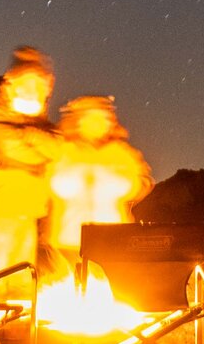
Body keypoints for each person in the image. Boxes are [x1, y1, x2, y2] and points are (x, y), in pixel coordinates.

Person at [0, 46, 60, 296]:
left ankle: (14, 334)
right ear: (10, 84)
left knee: (21, 287)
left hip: (26, 215)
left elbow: (57, 149)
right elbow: (13, 149)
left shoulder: (39, 124)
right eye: (28, 83)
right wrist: (34, 144)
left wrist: (31, 137)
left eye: (40, 86)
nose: (34, 92)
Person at [44, 95, 153, 265]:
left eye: (101, 118)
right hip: (67, 241)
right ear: (78, 121)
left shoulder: (121, 153)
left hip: (112, 239)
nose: (96, 123)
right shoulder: (62, 151)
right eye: (90, 118)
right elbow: (47, 184)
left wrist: (119, 182)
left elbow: (143, 182)